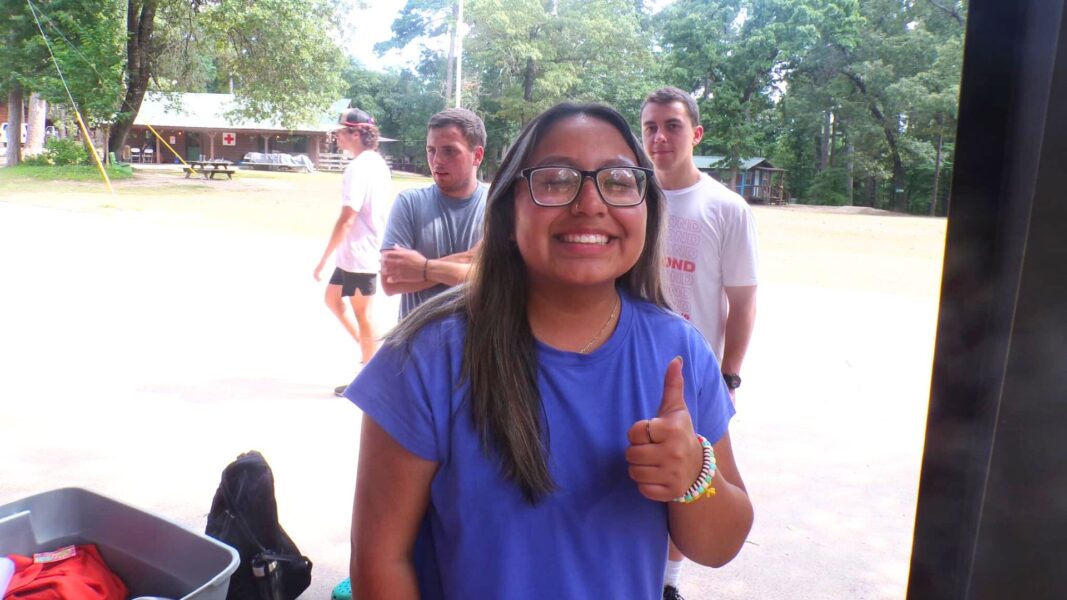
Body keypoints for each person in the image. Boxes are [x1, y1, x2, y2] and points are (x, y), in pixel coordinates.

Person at [344, 102, 753, 599]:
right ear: (510, 206)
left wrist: (694, 475)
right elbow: (380, 560)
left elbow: (721, 544)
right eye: (557, 180)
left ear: (646, 207)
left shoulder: (678, 352)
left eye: (619, 181)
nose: (590, 203)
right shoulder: (426, 357)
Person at [641, 87, 759, 599]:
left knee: (689, 478)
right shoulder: (631, 196)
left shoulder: (725, 208)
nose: (660, 137)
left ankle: (668, 582)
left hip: (696, 373)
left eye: (671, 125)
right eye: (649, 127)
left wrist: (728, 376)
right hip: (631, 359)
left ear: (696, 133)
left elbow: (743, 302)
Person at [313, 108, 394, 396]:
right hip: (354, 255)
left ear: (356, 133)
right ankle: (369, 352)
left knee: (364, 315)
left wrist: (322, 260)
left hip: (362, 255)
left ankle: (372, 377)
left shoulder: (359, 168)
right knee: (333, 299)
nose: (337, 135)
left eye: (342, 131)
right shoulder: (376, 164)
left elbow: (348, 217)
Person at [379, 108, 489, 319]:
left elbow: (496, 282)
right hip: (416, 346)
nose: (437, 160)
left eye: (449, 151)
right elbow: (390, 282)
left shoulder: (498, 206)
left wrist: (422, 268)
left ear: (477, 156)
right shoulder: (409, 203)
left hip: (477, 347)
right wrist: (469, 260)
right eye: (431, 150)